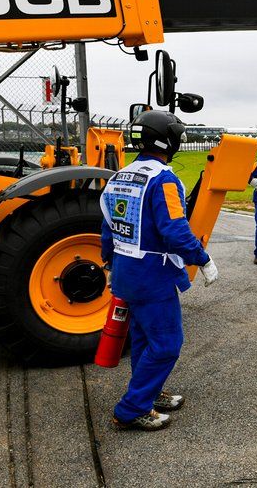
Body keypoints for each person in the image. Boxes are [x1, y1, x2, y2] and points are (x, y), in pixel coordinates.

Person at [101, 110, 219, 431]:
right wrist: (202, 259)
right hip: (152, 276)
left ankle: (149, 393)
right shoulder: (164, 179)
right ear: (167, 140)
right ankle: (132, 408)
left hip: (126, 273)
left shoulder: (119, 177)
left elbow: (108, 228)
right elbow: (174, 229)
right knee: (167, 344)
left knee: (143, 339)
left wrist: (110, 262)